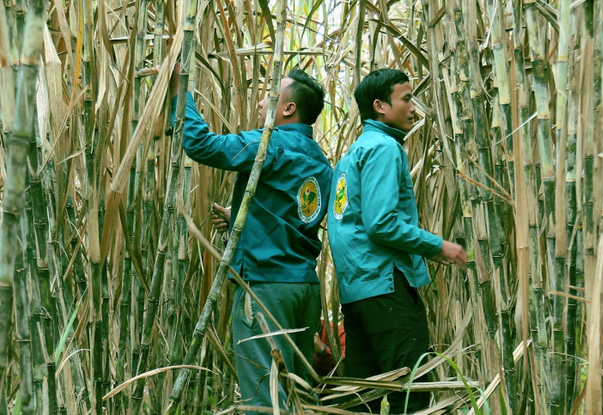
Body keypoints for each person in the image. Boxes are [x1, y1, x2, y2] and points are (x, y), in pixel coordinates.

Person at [170, 67, 333, 413]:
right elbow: (298, 217)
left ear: (287, 109)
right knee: (299, 396)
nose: (261, 101)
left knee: (264, 400)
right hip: (304, 289)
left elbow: (201, 144)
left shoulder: (269, 143)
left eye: (270, 95)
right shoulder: (321, 162)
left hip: (265, 288)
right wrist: (245, 219)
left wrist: (180, 91)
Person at [327, 69, 467, 413]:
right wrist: (438, 246)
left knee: (363, 392)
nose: (414, 109)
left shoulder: (353, 154)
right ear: (380, 106)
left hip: (358, 292)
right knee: (413, 389)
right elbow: (382, 224)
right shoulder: (384, 148)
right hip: (386, 287)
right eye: (406, 99)